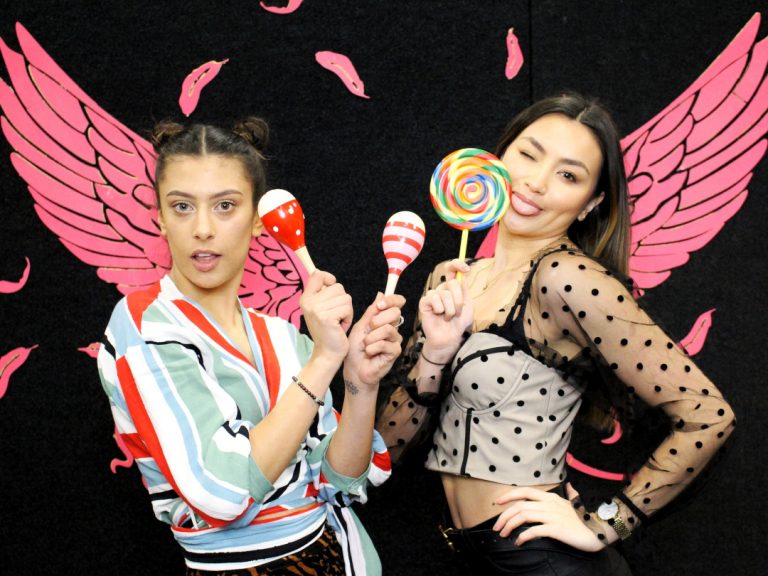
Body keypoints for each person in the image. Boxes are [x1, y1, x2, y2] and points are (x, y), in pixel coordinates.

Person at [376, 93, 735, 575]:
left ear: (591, 204)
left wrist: (609, 523)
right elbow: (385, 452)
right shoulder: (450, 278)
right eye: (528, 154)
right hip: (465, 555)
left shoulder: (567, 278)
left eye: (569, 175)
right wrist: (431, 360)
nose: (536, 182)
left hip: (543, 562)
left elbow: (709, 414)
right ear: (498, 157)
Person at [97, 118, 404, 575]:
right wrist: (323, 360)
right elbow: (223, 491)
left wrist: (359, 381)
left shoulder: (283, 336)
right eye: (182, 206)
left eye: (225, 206)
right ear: (159, 217)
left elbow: (341, 478)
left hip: (339, 557)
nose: (202, 228)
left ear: (258, 220)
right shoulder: (143, 324)